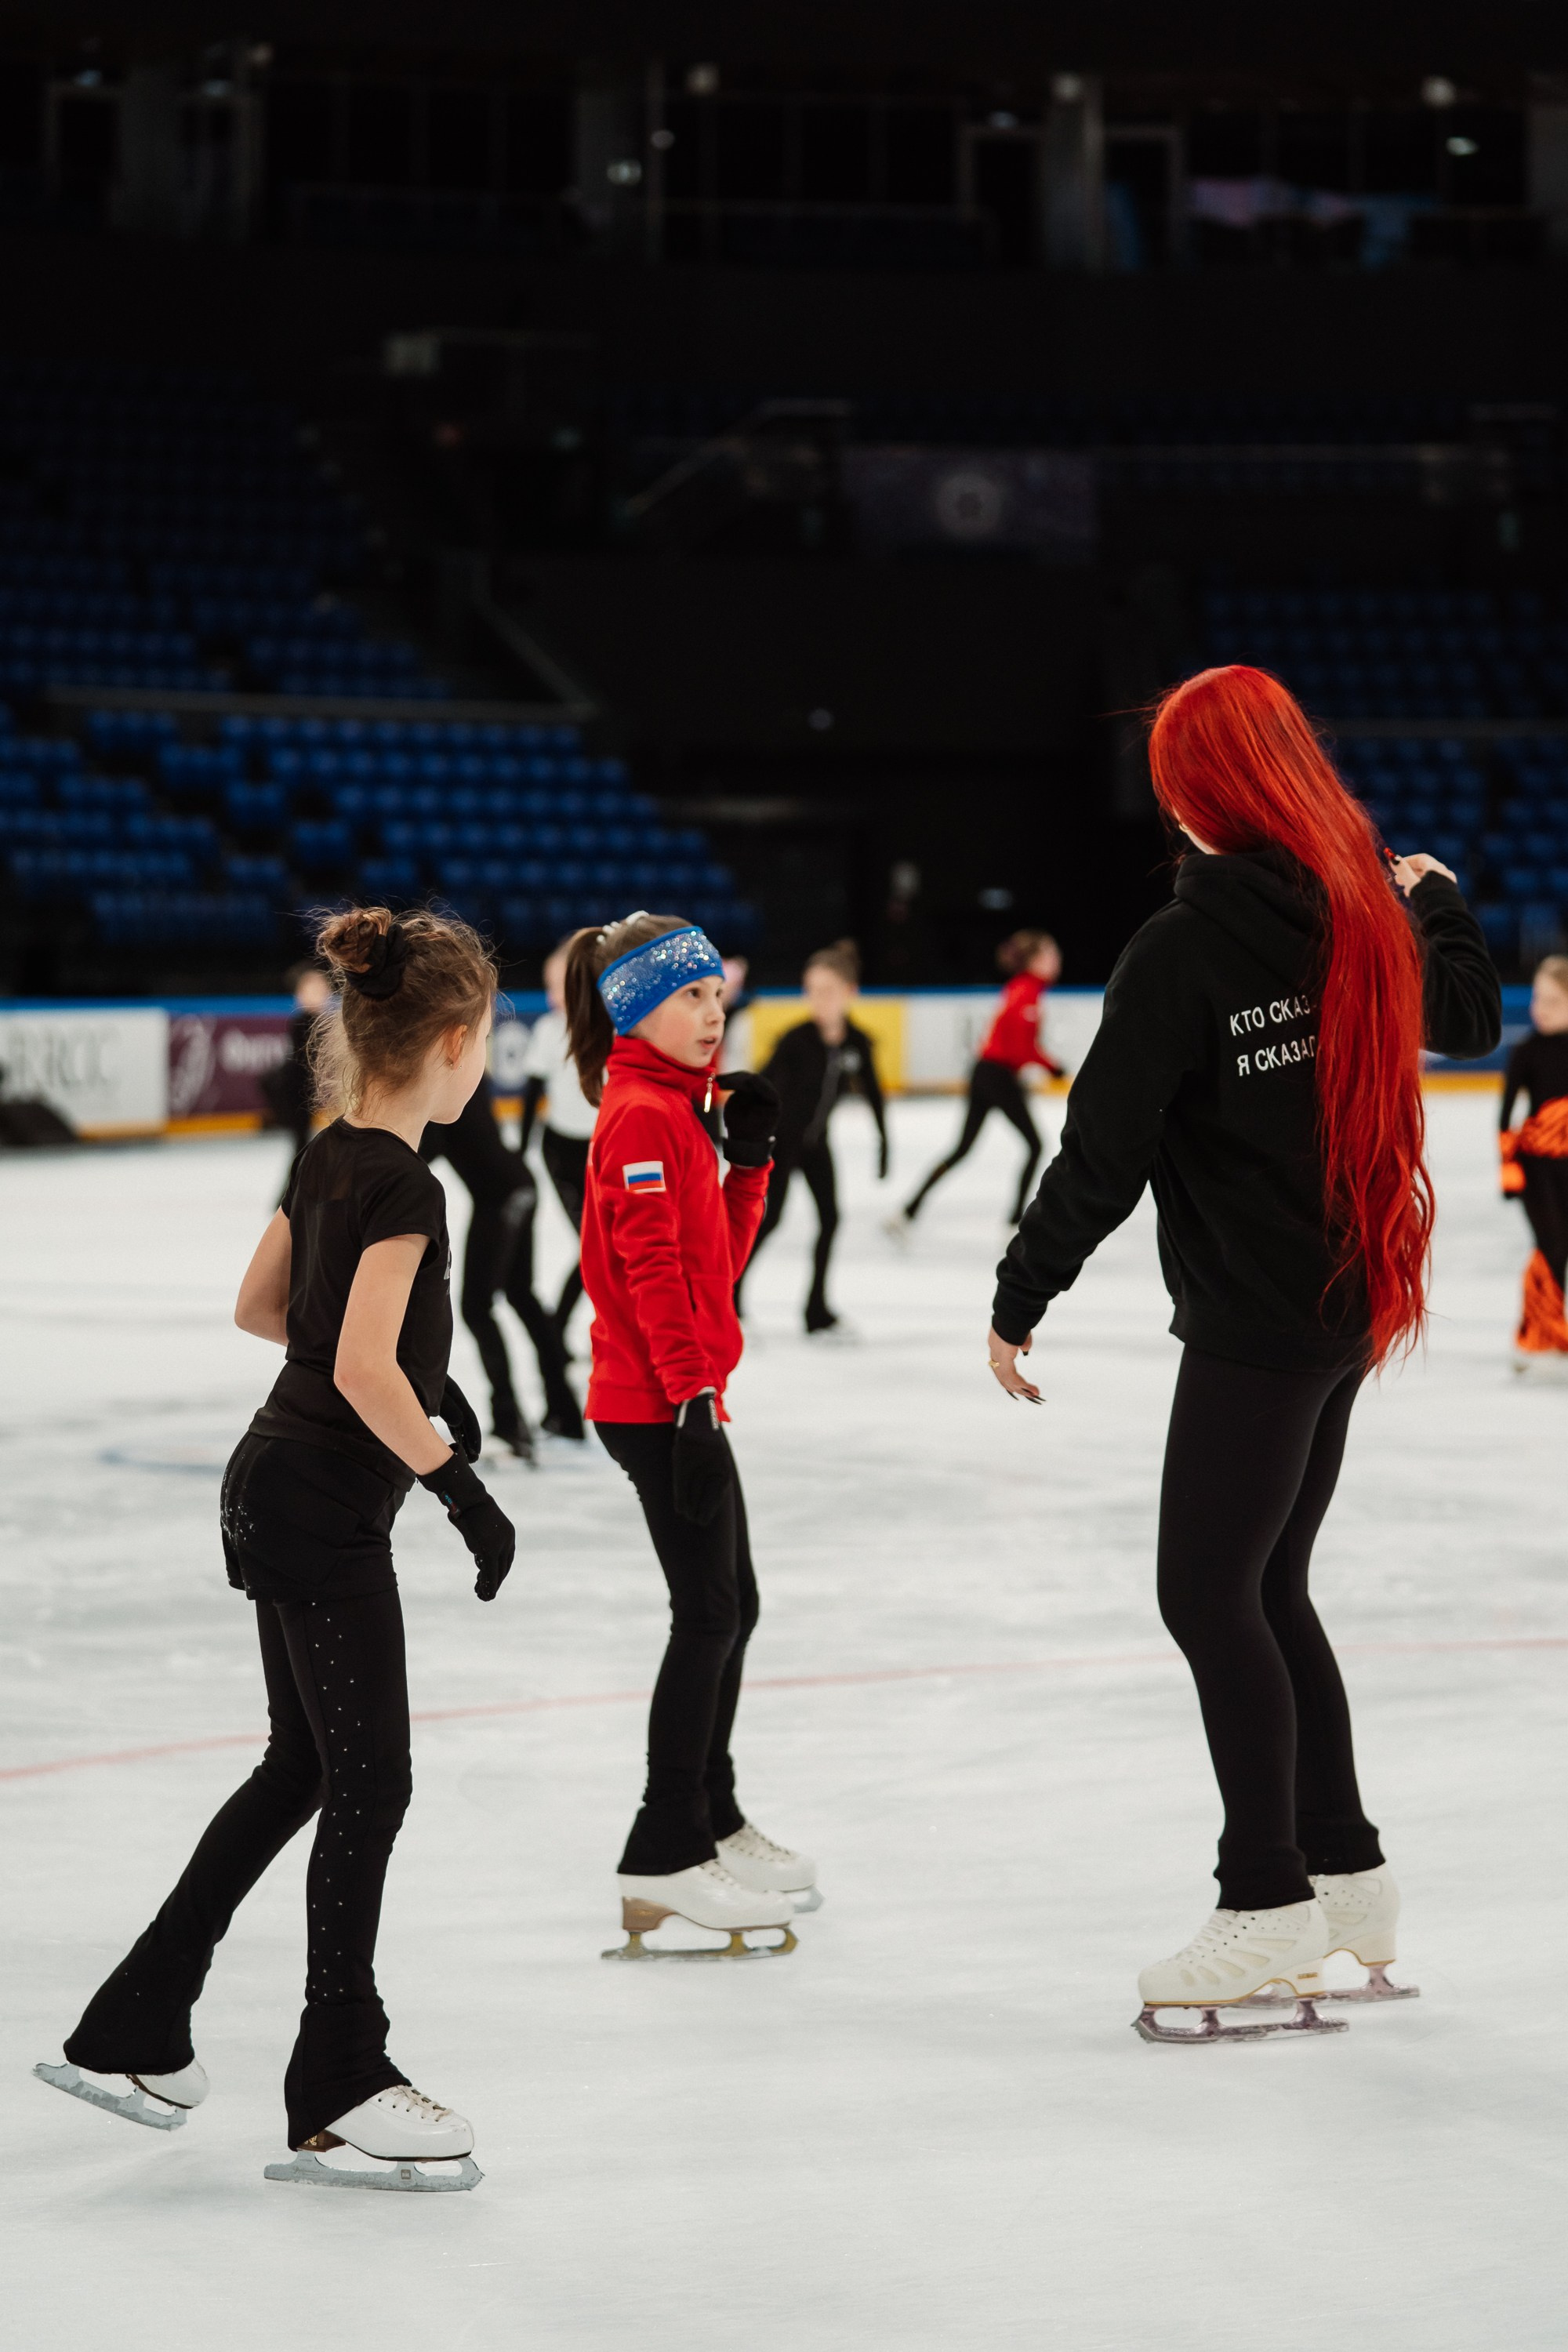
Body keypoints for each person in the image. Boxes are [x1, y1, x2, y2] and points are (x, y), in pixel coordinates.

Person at [984, 666, 1499, 2041]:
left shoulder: (1183, 949)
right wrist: (1432, 894)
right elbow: (1472, 1011)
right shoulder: (1360, 915)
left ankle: (1265, 1895)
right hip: (1341, 1309)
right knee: (1269, 1587)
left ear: (1195, 791)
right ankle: (1347, 1874)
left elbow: (1104, 1150)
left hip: (1264, 1328)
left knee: (1207, 1593)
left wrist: (1021, 1290)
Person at [39, 906, 517, 2187]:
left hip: (272, 1481)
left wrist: (419, 1388)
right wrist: (459, 1481)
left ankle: (137, 2021)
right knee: (372, 1780)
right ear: (456, 1043)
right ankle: (340, 2073)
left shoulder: (327, 1155)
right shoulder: (407, 1182)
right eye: (492, 1044)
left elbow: (268, 1310)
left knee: (303, 1768)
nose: (493, 1066)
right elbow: (356, 1357)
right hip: (320, 1507)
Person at [564, 909, 820, 1955]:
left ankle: (709, 1816)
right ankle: (664, 1852)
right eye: (689, 996)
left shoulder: (677, 1110)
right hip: (658, 1404)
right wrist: (687, 1400)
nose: (714, 1014)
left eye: (717, 993)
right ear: (636, 1006)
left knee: (731, 1605)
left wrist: (749, 1166)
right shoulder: (639, 1117)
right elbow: (653, 1275)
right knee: (708, 1614)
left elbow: (711, 1262)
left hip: (683, 1397)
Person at [421, 1072, 586, 1454]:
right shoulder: (465, 1072)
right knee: (521, 1296)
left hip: (499, 1198)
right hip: (519, 1185)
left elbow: (431, 1144)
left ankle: (510, 1421)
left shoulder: (442, 1083)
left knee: (477, 1308)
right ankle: (565, 1412)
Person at [737, 938, 887, 1337]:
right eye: (811, 990)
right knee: (769, 1221)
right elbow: (759, 1084)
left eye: (827, 991)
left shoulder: (857, 1042)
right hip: (781, 1143)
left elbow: (873, 1092)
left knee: (831, 1220)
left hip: (817, 1144)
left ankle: (816, 1309)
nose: (817, 1000)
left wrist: (883, 1143)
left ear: (849, 993)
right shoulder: (795, 1040)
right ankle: (730, 1295)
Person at [891, 929, 1065, 1237]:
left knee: (962, 1149)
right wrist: (1052, 1067)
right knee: (1035, 1146)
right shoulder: (1026, 992)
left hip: (987, 1073)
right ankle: (1014, 1222)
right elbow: (1020, 1049)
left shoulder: (1023, 989)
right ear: (1035, 960)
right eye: (1050, 954)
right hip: (996, 1075)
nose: (1056, 959)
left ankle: (909, 1210)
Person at [520, 940, 597, 1346]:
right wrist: (521, 1149)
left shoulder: (612, 1027)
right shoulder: (550, 1031)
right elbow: (533, 1090)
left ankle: (558, 1329)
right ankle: (555, 1330)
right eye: (548, 987)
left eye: (558, 986)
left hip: (601, 1152)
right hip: (561, 1153)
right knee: (596, 1249)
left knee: (605, 1250)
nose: (551, 997)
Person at [1499, 953, 1568, 1363]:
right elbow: (1505, 1116)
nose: (1537, 1009)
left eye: (1551, 1000)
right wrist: (1509, 1172)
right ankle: (1541, 1333)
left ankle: (1547, 1330)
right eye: (1537, 998)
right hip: (1536, 1166)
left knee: (1562, 1245)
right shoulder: (1525, 1051)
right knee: (1551, 1243)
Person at [260, 962, 334, 1200]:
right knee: (302, 1147)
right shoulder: (303, 1020)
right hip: (292, 1092)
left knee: (302, 1147)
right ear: (300, 993)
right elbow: (306, 1063)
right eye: (313, 987)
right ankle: (289, 1200)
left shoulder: (317, 1020)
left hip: (301, 1092)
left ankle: (289, 1198)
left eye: (322, 987)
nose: (321, 991)